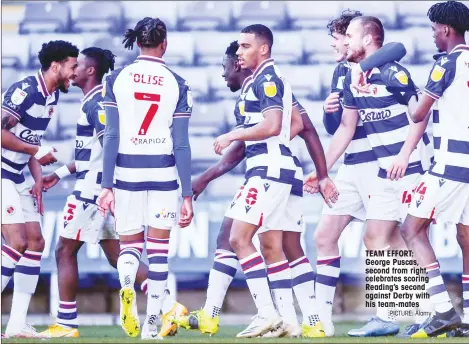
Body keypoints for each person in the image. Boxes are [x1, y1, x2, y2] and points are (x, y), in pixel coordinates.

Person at [174, 40, 337, 338]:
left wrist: (232, 134)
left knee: (235, 237)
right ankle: (306, 321)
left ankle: (260, 313)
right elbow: (303, 126)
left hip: (268, 171)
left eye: (227, 65)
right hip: (285, 171)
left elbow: (273, 127)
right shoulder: (271, 86)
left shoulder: (265, 82)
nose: (225, 73)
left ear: (241, 62)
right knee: (280, 247)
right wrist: (322, 175)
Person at [38, 47, 187, 338]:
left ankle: (66, 323)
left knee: (64, 250)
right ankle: (170, 307)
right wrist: (58, 174)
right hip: (99, 188)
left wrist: (109, 187)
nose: (73, 70)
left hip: (92, 193)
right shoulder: (94, 102)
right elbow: (87, 155)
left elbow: (110, 145)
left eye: (78, 65)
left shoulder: (96, 104)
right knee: (118, 256)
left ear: (90, 71)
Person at [307, 15, 431, 337]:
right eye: (342, 36)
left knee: (407, 238)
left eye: (347, 35)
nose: (343, 42)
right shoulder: (348, 76)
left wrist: (405, 156)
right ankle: (399, 315)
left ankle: (425, 312)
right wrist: (322, 171)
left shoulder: (390, 70)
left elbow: (420, 114)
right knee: (375, 238)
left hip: (408, 165)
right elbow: (344, 128)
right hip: (377, 167)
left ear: (364, 40)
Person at [96, 17, 194, 340]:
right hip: (163, 171)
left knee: (131, 245)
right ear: (164, 44)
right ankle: (152, 325)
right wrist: (188, 194)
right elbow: (181, 143)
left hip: (126, 170)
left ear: (137, 43)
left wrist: (106, 185)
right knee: (159, 250)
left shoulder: (116, 79)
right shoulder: (177, 82)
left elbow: (110, 136)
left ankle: (127, 286)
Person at [396, 1, 469, 338]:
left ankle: (442, 310)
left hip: (450, 163)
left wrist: (404, 89)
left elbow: (417, 113)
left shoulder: (446, 65)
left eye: (433, 30)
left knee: (411, 229)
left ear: (445, 30)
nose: (433, 36)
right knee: (467, 239)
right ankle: (467, 318)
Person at [1, 40, 79, 338]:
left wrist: (36, 180)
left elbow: (33, 143)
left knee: (36, 242)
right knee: (17, 241)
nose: (75, 72)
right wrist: (35, 153)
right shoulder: (26, 90)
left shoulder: (51, 97)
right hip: (1, 173)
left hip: (18, 176)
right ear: (56, 66)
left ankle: (17, 324)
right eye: (72, 67)